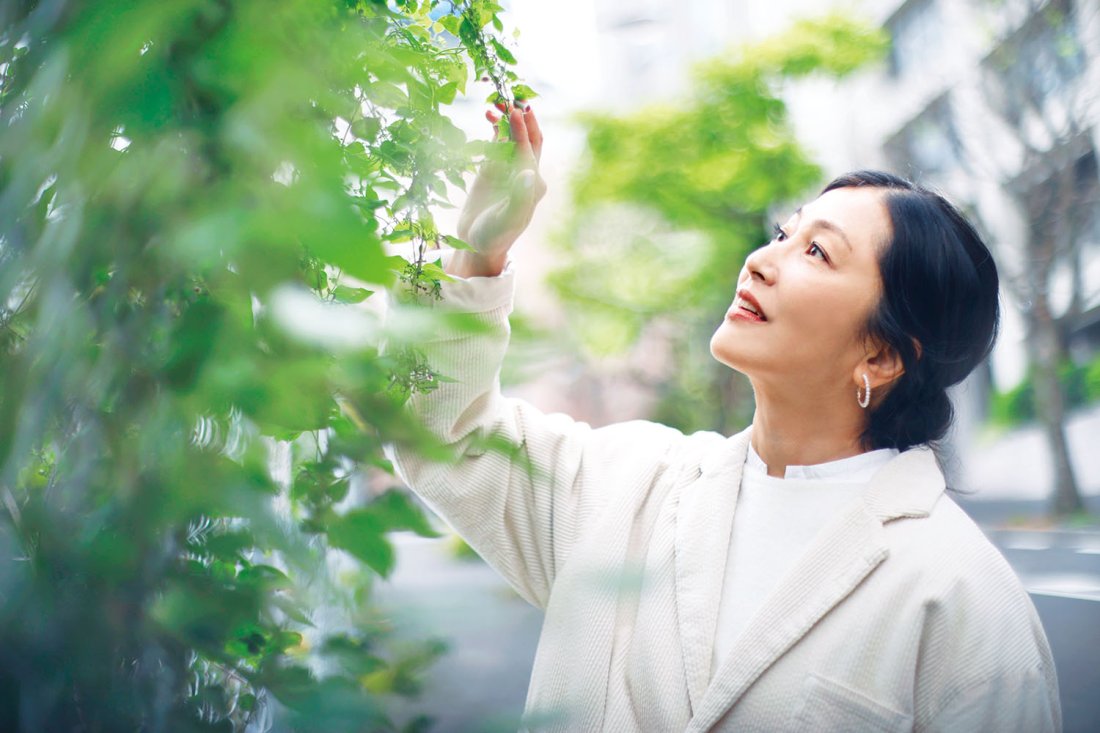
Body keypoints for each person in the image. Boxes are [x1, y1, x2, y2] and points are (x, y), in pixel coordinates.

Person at [389, 105, 1061, 732]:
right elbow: (444, 431)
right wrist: (477, 254)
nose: (761, 261)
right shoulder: (627, 485)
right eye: (783, 233)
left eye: (816, 252)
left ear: (881, 355)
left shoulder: (964, 598)